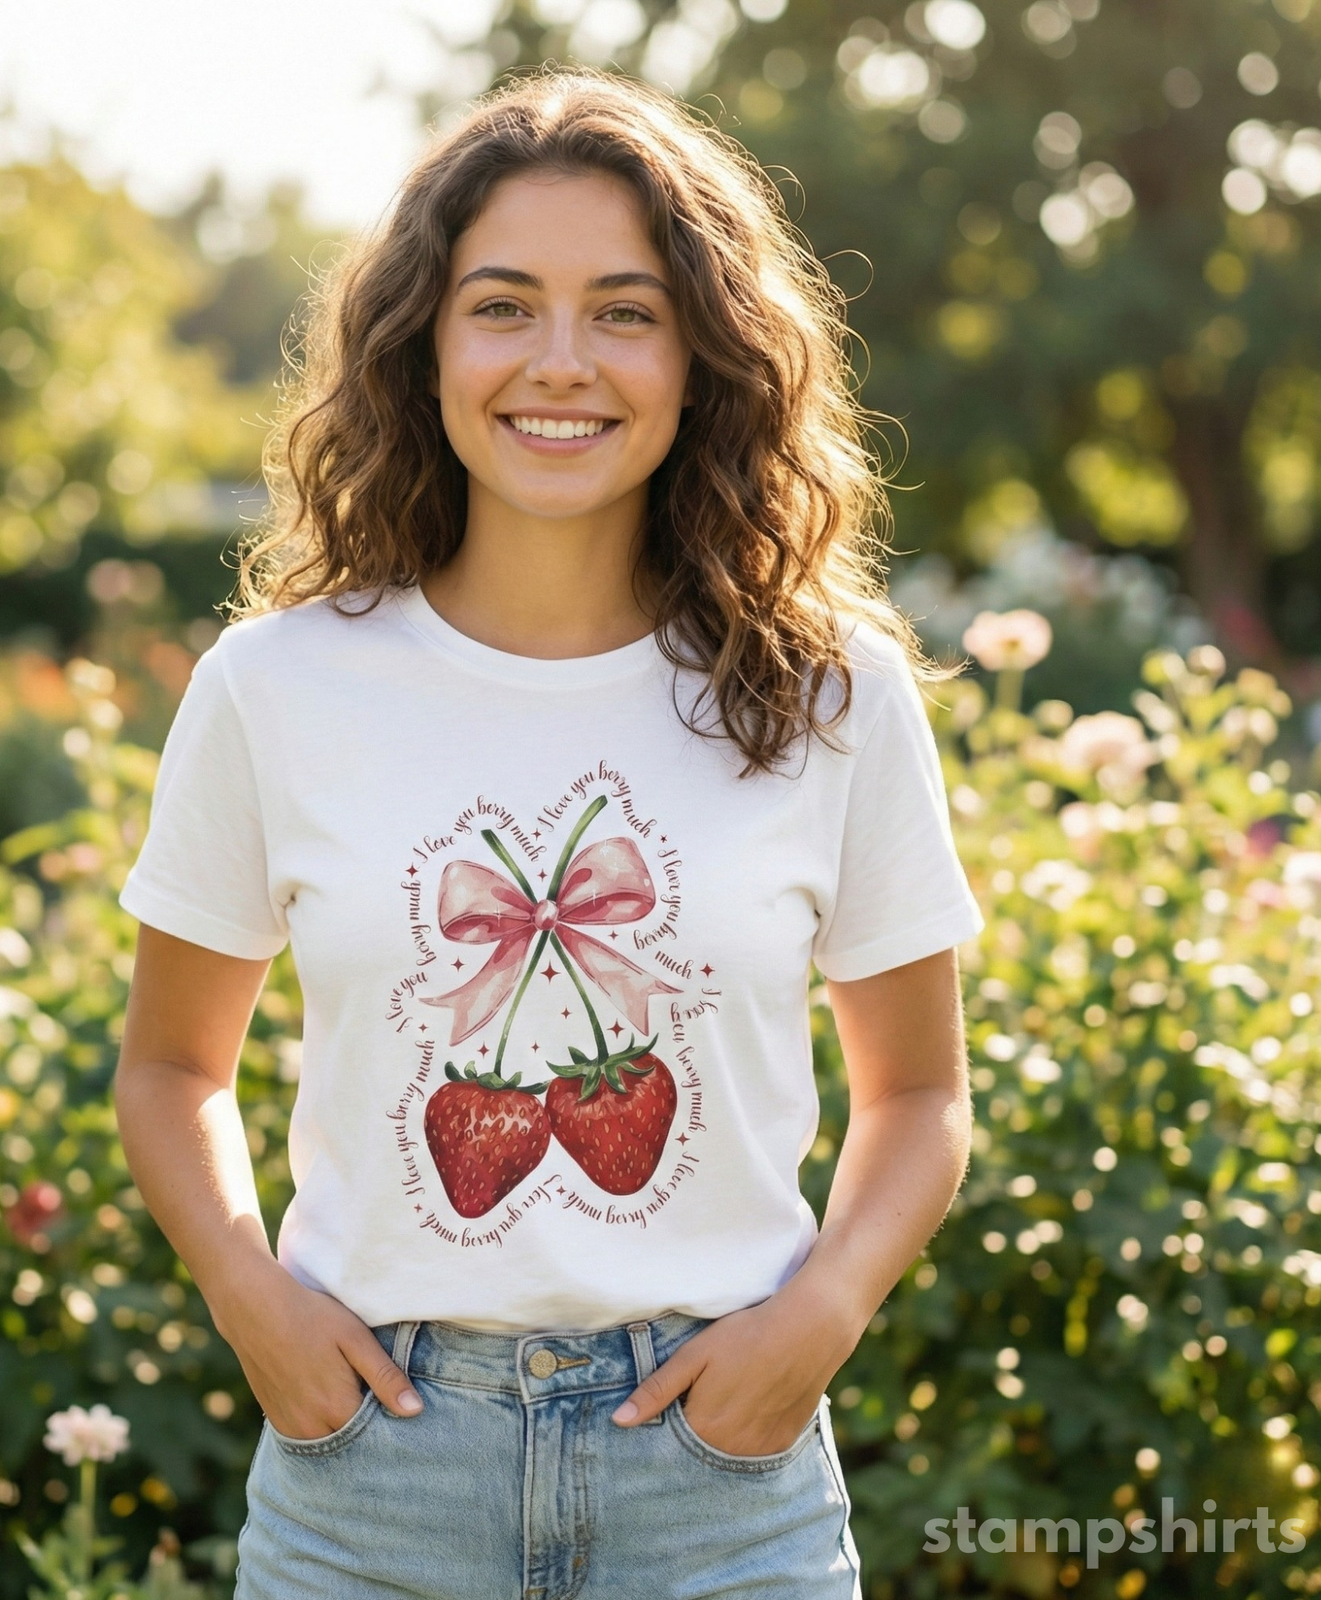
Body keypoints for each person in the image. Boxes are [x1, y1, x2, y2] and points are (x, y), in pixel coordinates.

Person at [113, 66, 984, 1600]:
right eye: (503, 305)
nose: (561, 363)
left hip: (727, 1485)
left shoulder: (826, 689)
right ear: (424, 344)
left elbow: (917, 1092)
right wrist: (248, 1296)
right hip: (370, 1476)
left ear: (704, 353)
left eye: (627, 311)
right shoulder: (278, 684)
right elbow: (172, 1068)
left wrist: (824, 1316)